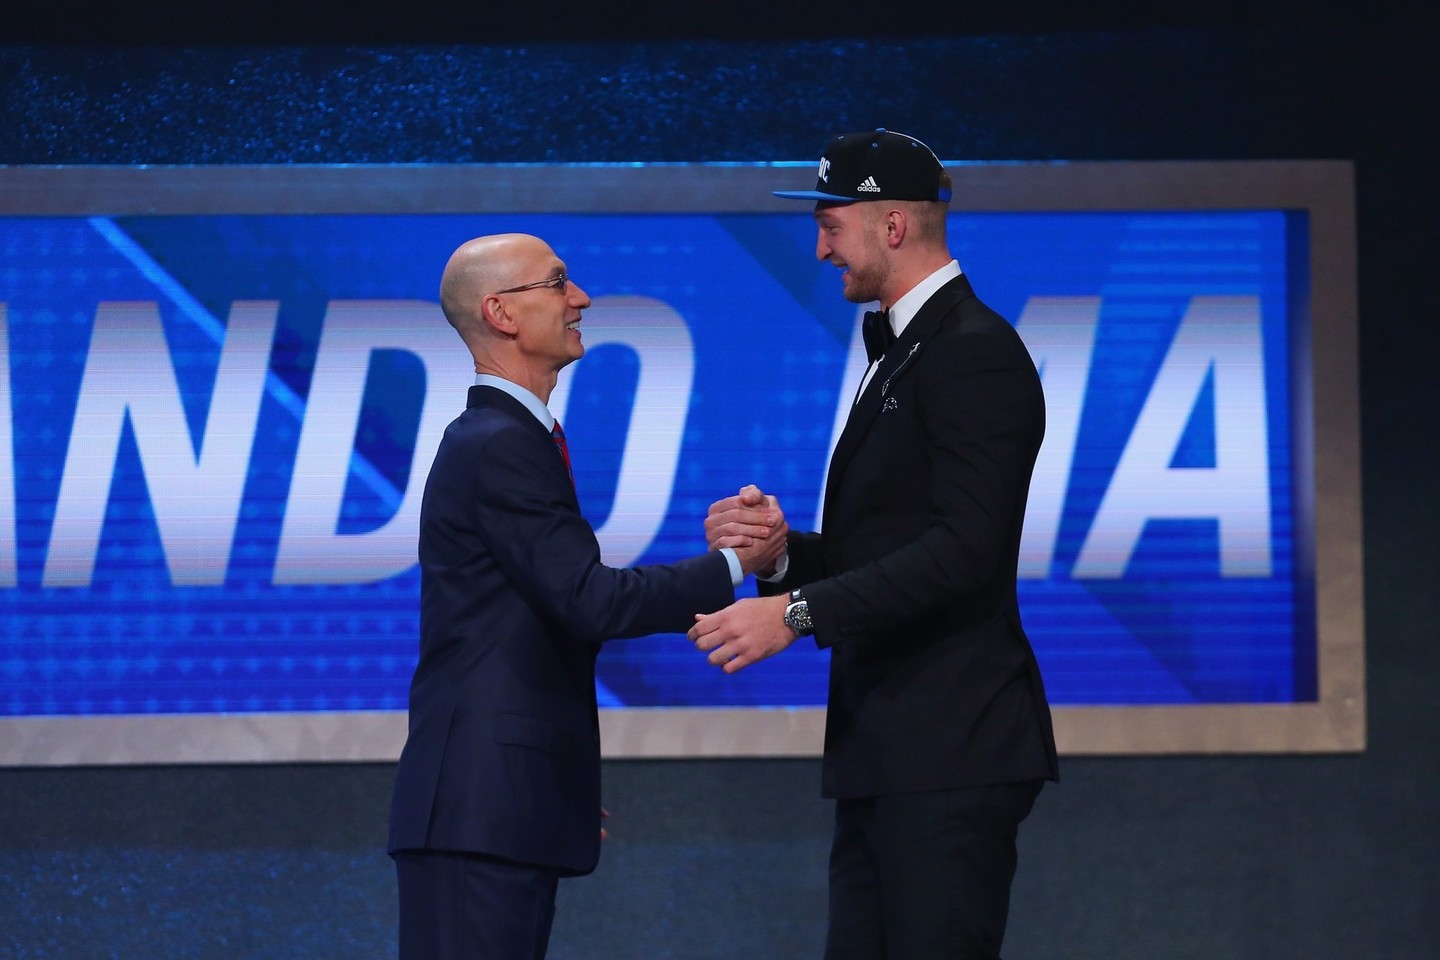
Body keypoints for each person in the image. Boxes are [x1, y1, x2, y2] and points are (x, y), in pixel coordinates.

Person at [690, 129, 1058, 959]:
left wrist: (796, 614)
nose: (821, 250)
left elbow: (964, 553)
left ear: (892, 226)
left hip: (950, 748)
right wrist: (782, 555)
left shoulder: (974, 354)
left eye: (831, 226)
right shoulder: (909, 348)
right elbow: (890, 544)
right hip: (892, 748)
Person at [388, 233, 786, 960]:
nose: (581, 298)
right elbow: (589, 600)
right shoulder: (497, 443)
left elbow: (535, 624)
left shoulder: (513, 438)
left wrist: (552, 783)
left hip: (501, 806)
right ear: (502, 313)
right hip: (481, 813)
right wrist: (734, 565)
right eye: (558, 282)